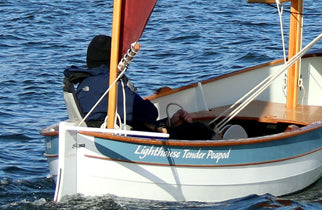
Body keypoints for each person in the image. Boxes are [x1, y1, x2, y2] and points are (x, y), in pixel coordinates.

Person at [62, 34, 215, 138]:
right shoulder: (111, 84)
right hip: (118, 143)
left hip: (94, 137)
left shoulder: (83, 83)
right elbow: (148, 113)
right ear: (113, 58)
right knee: (198, 129)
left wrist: (168, 123)